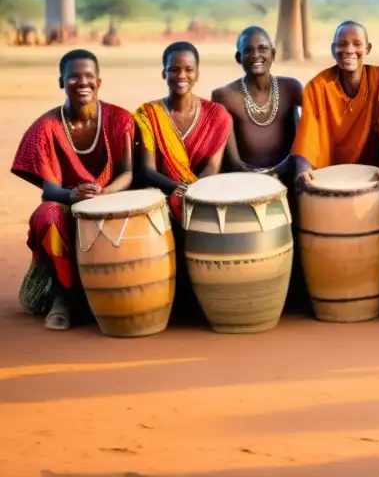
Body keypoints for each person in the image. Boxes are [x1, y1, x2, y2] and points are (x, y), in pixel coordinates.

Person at [10, 50, 135, 330]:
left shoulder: (120, 119)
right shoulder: (45, 128)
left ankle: (122, 293)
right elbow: (48, 190)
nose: (82, 82)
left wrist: (104, 193)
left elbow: (128, 173)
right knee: (48, 215)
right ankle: (63, 296)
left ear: (99, 82)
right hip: (67, 203)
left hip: (112, 199)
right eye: (74, 77)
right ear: (61, 82)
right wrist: (71, 196)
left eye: (89, 76)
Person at [292, 21, 379, 189]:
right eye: (342, 44)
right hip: (329, 170)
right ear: (333, 49)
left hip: (373, 170)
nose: (349, 50)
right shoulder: (317, 87)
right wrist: (303, 170)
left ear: (367, 48)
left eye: (357, 44)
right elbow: (308, 132)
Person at [134, 41, 233, 223]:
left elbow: (212, 166)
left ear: (197, 74)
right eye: (174, 69)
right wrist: (178, 189)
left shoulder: (216, 115)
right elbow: (148, 170)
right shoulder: (148, 115)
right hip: (161, 196)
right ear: (164, 73)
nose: (181, 75)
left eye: (188, 69)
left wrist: (195, 192)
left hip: (203, 193)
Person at [211, 27, 304, 181]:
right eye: (248, 50)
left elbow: (311, 128)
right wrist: (259, 177)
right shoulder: (224, 96)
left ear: (272, 54)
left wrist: (290, 167)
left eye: (263, 49)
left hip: (289, 176)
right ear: (238, 57)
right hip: (243, 181)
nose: (256, 55)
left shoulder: (291, 88)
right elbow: (233, 163)